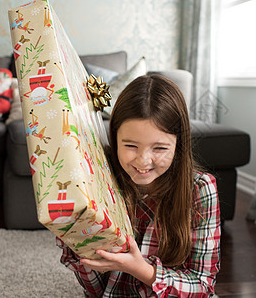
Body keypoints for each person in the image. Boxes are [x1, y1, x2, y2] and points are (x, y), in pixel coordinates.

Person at [57, 74, 221, 297]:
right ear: (114, 138)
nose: (143, 161)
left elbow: (203, 286)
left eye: (160, 148)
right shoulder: (99, 180)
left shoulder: (200, 189)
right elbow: (97, 291)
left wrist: (140, 269)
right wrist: (77, 239)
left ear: (178, 145)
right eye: (131, 145)